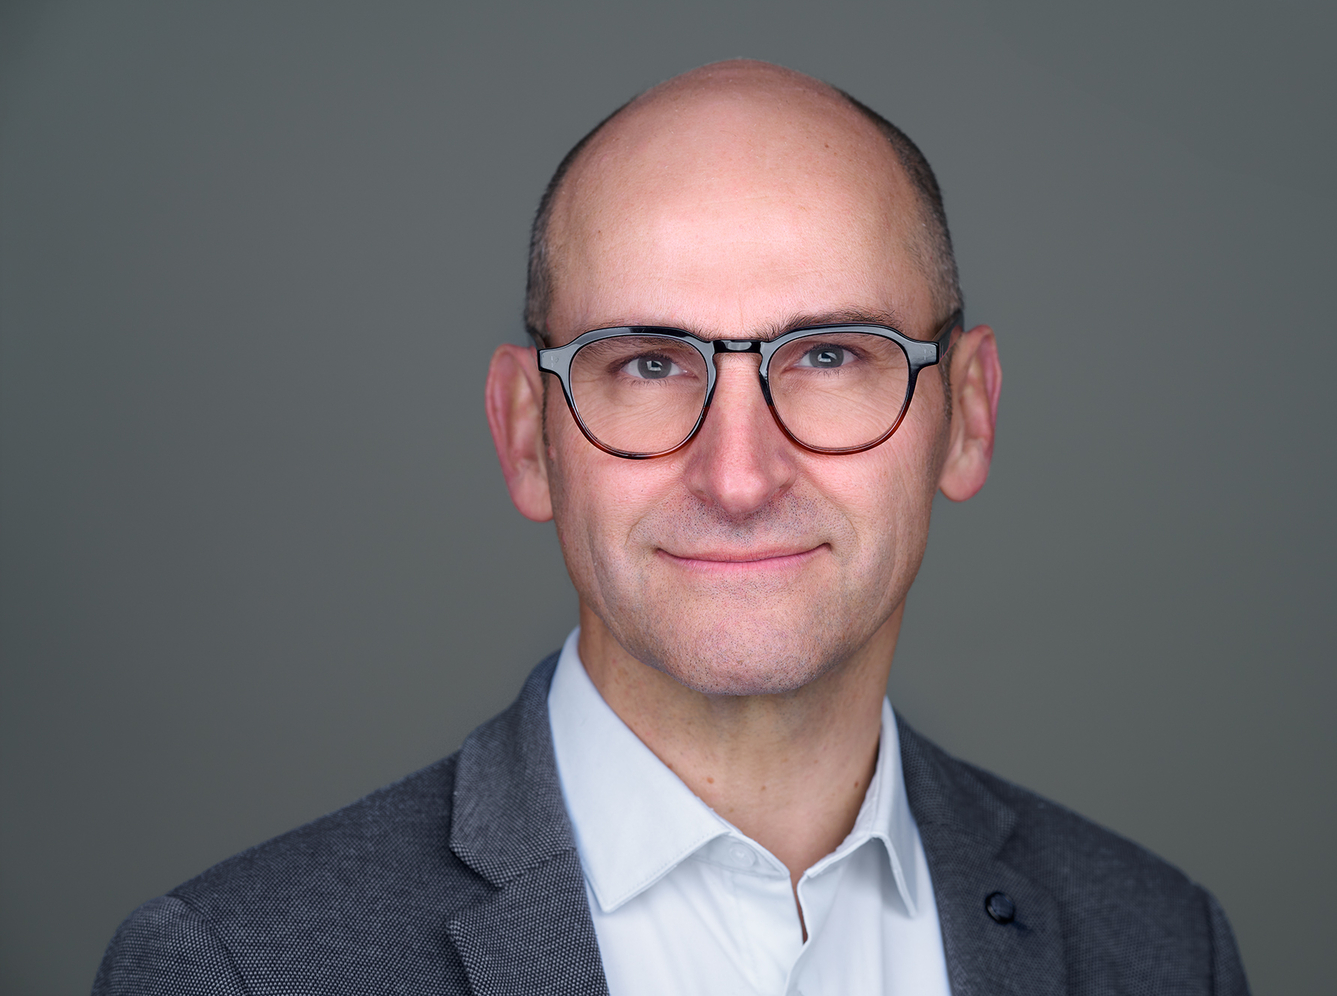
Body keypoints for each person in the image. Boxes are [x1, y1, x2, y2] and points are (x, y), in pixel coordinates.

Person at [95, 60, 1249, 995]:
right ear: (527, 434)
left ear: (969, 414)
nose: (738, 476)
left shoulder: (1159, 947)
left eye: (830, 355)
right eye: (647, 364)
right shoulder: (237, 970)